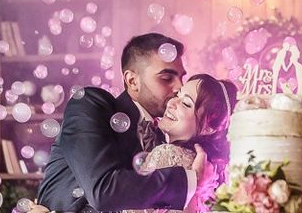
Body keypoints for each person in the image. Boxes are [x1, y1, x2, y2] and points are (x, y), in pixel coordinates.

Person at [36, 33, 212, 212]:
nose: (178, 87)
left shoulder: (162, 140)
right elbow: (104, 191)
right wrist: (189, 179)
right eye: (166, 78)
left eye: (181, 78)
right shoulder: (91, 104)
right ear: (132, 81)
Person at [124, 73, 238, 212]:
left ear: (208, 128)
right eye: (178, 96)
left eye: (185, 103)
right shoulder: (212, 172)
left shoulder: (169, 154)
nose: (172, 103)